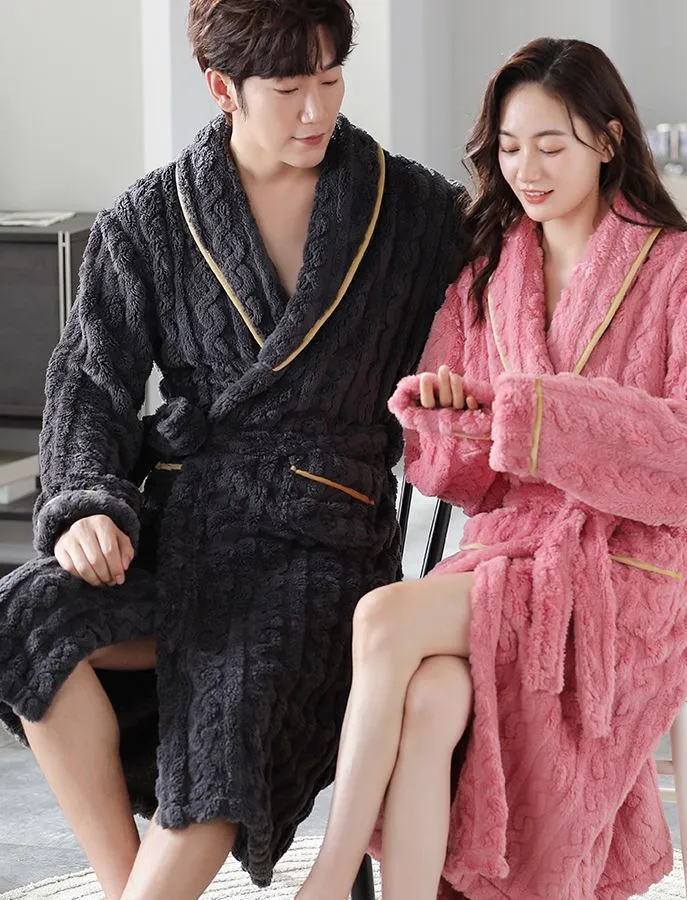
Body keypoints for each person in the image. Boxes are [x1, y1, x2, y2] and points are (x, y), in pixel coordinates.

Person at [0, 2, 466, 898]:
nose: (317, 110)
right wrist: (88, 502)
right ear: (222, 88)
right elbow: (89, 380)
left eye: (331, 80)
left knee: (231, 703)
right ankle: (127, 883)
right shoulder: (152, 216)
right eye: (289, 90)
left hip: (321, 540)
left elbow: (548, 265)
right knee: (25, 618)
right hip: (183, 526)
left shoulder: (410, 211)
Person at [296, 37, 687, 900]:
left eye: (550, 146)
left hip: (626, 571)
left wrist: (540, 415)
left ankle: (325, 880)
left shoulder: (678, 269)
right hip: (512, 552)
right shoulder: (489, 273)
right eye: (509, 148)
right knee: (430, 697)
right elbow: (460, 475)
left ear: (608, 141)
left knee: (383, 617)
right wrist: (448, 417)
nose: (526, 171)